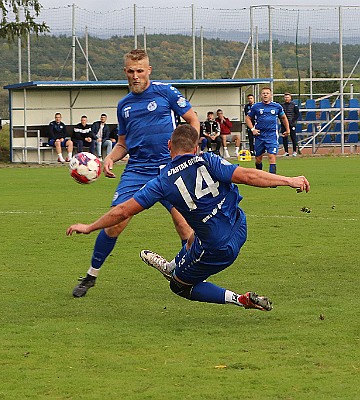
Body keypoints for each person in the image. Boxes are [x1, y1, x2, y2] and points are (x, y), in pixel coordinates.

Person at [67, 124, 310, 310]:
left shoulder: (161, 183)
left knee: (179, 286)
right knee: (193, 237)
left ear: (169, 146)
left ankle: (240, 299)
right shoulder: (209, 159)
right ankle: (173, 264)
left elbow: (122, 211)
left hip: (219, 248)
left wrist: (90, 227)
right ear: (196, 148)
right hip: (240, 225)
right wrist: (288, 180)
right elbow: (249, 176)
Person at [71, 48, 200, 298]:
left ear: (148, 70)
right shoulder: (124, 105)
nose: (135, 76)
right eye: (131, 71)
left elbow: (192, 120)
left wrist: (191, 151)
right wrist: (109, 158)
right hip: (137, 170)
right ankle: (91, 275)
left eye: (140, 71)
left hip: (169, 168)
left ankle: (188, 276)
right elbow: (123, 143)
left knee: (184, 226)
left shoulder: (166, 92)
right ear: (125, 72)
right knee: (116, 221)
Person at [245, 87, 290, 174]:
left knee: (271, 156)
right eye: (263, 93)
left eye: (267, 93)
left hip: (271, 135)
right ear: (261, 95)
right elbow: (247, 118)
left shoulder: (277, 106)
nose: (265, 94)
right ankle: (259, 176)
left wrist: (287, 129)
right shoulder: (256, 107)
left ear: (270, 95)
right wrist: (253, 129)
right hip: (259, 135)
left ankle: (272, 180)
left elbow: (284, 118)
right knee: (258, 159)